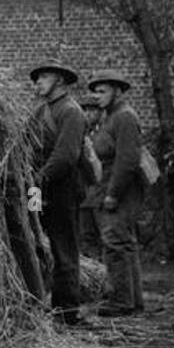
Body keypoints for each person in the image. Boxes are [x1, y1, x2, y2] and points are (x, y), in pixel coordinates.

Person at [28, 59, 86, 325]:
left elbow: (66, 155)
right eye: (36, 78)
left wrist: (39, 178)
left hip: (62, 189)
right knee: (36, 244)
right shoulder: (40, 111)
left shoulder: (71, 111)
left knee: (64, 249)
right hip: (38, 189)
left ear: (60, 80)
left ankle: (67, 311)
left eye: (44, 77)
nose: (37, 82)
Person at [86, 70, 145, 316]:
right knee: (124, 243)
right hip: (109, 186)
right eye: (95, 91)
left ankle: (121, 301)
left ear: (118, 91)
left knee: (115, 243)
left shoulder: (124, 117)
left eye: (103, 91)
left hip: (119, 189)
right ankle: (132, 301)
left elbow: (128, 160)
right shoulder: (111, 117)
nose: (97, 96)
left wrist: (113, 193)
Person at [78, 98, 104, 258]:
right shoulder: (82, 133)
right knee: (86, 235)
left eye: (92, 110)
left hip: (101, 192)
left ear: (100, 113)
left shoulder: (105, 134)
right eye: (85, 110)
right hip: (84, 193)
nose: (88, 114)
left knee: (104, 234)